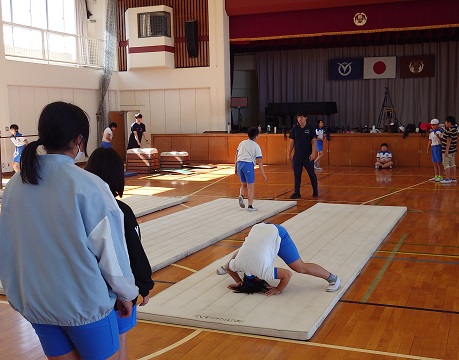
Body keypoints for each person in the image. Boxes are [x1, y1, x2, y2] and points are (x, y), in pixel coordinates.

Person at [0, 102, 138, 360]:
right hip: (83, 305)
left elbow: (7, 245)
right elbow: (110, 251)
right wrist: (126, 293)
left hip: (37, 303)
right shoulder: (87, 185)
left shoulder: (17, 184)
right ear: (79, 140)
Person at [85, 147, 154, 360]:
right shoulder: (120, 211)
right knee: (119, 340)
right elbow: (133, 252)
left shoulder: (80, 209)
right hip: (117, 292)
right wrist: (144, 285)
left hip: (87, 292)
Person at [217, 223, 341, 295]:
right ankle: (234, 260)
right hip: (258, 228)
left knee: (300, 267)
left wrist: (278, 289)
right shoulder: (236, 265)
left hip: (277, 233)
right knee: (242, 255)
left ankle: (333, 278)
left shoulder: (263, 272)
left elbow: (287, 274)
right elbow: (229, 268)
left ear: (259, 279)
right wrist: (238, 281)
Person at [236, 127, 267, 211]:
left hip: (239, 164)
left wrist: (235, 167)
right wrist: (263, 174)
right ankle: (250, 206)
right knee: (251, 186)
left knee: (244, 184)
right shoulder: (256, 146)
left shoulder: (242, 143)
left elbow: (237, 154)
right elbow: (259, 161)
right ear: (256, 136)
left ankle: (241, 195)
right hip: (248, 164)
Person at [287, 113, 318, 199]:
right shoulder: (295, 129)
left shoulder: (310, 128)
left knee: (311, 174)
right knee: (297, 175)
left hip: (308, 156)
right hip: (297, 156)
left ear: (306, 118)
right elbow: (291, 142)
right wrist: (289, 153)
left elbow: (313, 141)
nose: (300, 119)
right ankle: (297, 192)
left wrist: (313, 153)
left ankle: (315, 191)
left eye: (301, 117)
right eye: (298, 117)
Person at [440, 115, 457, 184]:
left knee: (446, 164)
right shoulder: (454, 129)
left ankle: (447, 178)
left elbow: (449, 141)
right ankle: (453, 178)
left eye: (446, 122)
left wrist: (446, 151)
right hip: (453, 151)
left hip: (448, 151)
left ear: (449, 123)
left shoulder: (449, 130)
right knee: (452, 164)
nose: (445, 123)